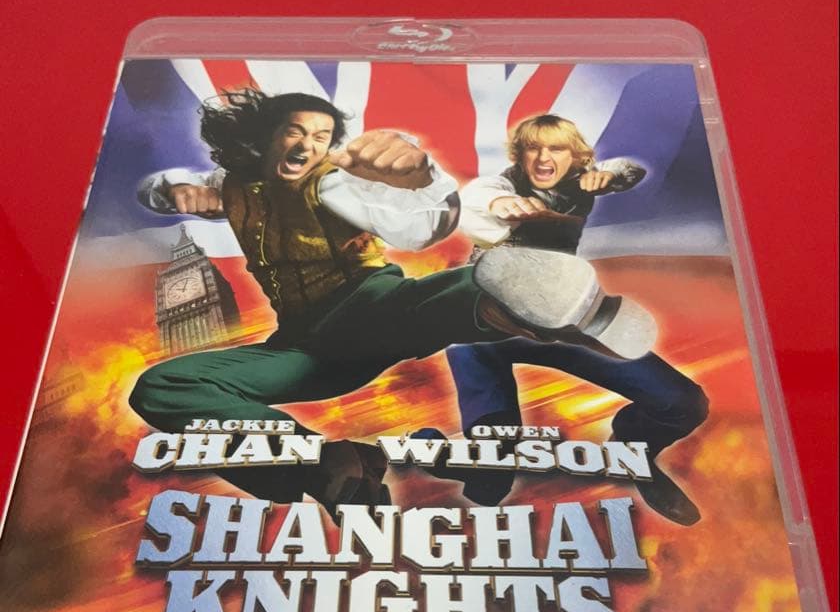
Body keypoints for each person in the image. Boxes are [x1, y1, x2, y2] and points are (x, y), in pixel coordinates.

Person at [132, 91, 638, 517]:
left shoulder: (332, 181)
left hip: (365, 307)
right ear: (266, 137)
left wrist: (421, 178)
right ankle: (325, 467)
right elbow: (155, 190)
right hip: (305, 348)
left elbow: (418, 227)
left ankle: (533, 305)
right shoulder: (232, 185)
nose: (308, 145)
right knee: (162, 386)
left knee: (428, 298)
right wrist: (172, 188)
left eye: (321, 137)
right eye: (295, 132)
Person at [440, 114, 708, 526]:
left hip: (559, 322)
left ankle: (632, 451)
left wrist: (610, 175)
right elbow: (478, 195)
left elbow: (628, 169)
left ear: (576, 157)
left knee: (683, 403)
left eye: (556, 148)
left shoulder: (581, 182)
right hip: (484, 330)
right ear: (519, 155)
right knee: (491, 480)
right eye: (533, 148)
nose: (543, 158)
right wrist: (498, 205)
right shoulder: (502, 186)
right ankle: (433, 454)